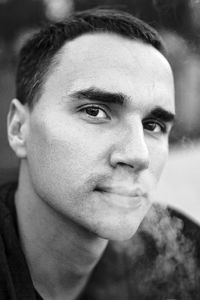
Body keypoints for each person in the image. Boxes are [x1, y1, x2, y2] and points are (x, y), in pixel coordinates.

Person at [1, 7, 199, 300]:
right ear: (19, 128)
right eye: (95, 111)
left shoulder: (186, 256)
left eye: (153, 125)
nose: (138, 155)